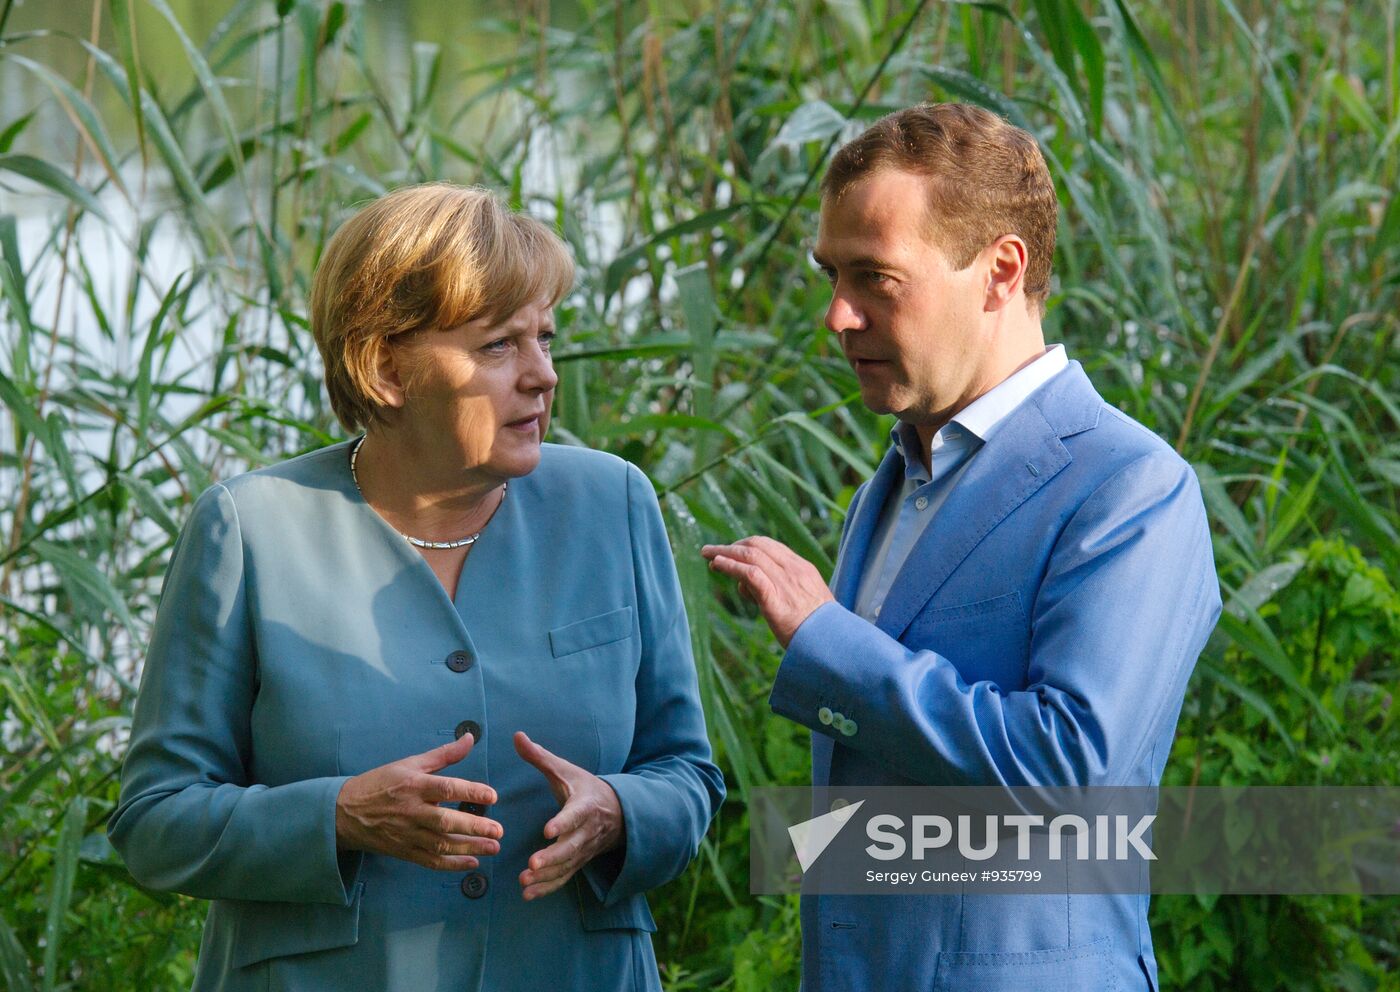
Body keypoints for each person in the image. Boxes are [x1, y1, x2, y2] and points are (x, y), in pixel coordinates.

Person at [108, 182, 724, 992]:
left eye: (545, 337)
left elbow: (686, 773)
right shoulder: (249, 528)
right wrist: (337, 817)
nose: (542, 375)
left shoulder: (613, 504)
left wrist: (620, 812)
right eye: (500, 346)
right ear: (386, 366)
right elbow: (154, 823)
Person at [703, 103, 1220, 991]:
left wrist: (827, 641)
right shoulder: (895, 477)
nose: (837, 315)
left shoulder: (1131, 487)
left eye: (875, 278)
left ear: (1000, 271)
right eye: (831, 274)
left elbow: (1068, 773)